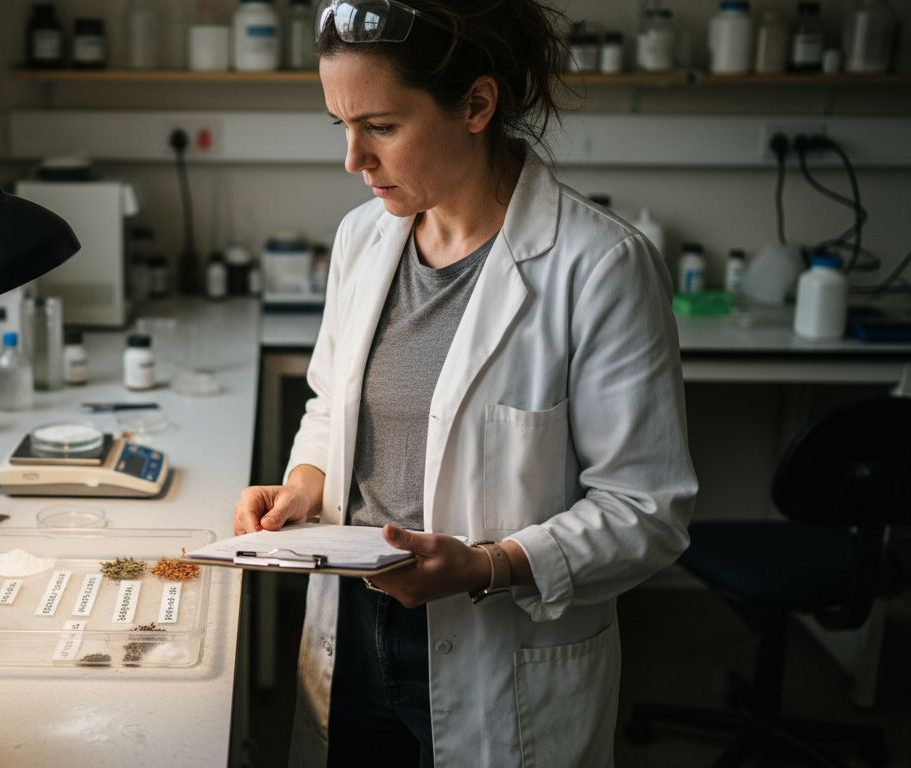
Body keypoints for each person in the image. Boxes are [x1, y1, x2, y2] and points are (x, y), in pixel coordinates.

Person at [231, 1, 698, 766]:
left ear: (477, 105)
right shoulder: (362, 237)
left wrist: (486, 566)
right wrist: (304, 484)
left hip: (497, 644)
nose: (354, 159)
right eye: (340, 126)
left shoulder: (601, 266)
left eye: (380, 126)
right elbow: (330, 403)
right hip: (351, 631)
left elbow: (647, 511)